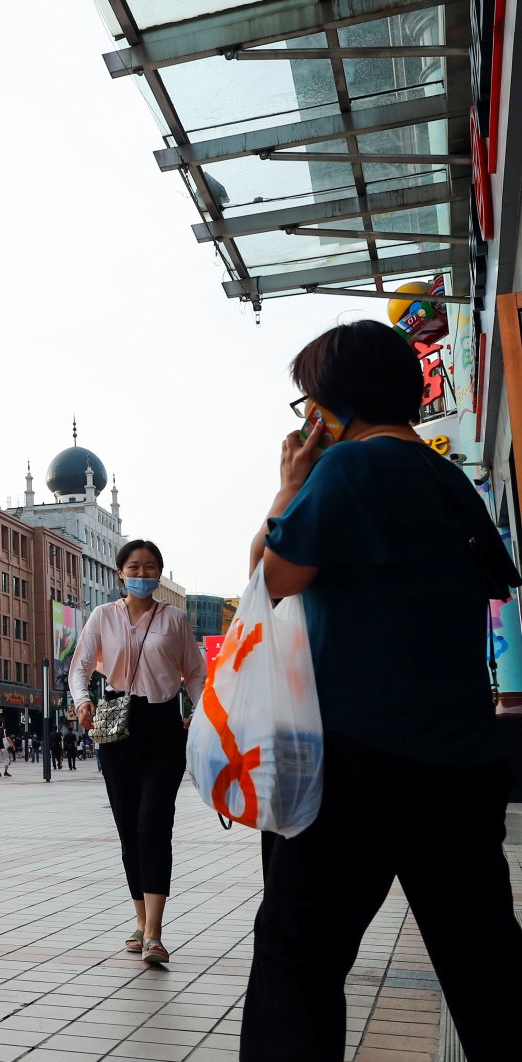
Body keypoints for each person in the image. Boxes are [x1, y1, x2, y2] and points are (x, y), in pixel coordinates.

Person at [239, 321, 522, 1060]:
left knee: (296, 960)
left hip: (355, 763)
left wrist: (290, 484)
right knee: (489, 969)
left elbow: (267, 581)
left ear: (334, 404)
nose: (306, 419)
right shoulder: (446, 477)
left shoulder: (349, 471)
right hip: (462, 761)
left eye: (308, 403)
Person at [71, 538, 206, 967]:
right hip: (116, 725)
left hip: (164, 727)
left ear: (158, 574)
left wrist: (201, 716)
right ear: (120, 573)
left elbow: (196, 674)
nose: (143, 574)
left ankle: (155, 932)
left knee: (153, 824)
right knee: (129, 827)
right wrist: (82, 701)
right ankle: (140, 919)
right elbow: (79, 666)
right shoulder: (101, 616)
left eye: (151, 568)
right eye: (135, 567)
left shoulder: (176, 619)